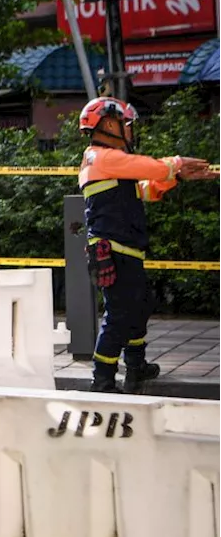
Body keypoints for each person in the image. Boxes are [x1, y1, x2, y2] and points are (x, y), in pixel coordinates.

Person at [77, 97, 214, 393]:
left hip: (125, 249)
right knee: (119, 315)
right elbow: (141, 167)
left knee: (139, 308)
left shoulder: (110, 165)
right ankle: (102, 378)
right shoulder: (99, 157)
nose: (130, 131)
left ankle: (136, 366)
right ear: (109, 124)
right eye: (126, 124)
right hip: (114, 249)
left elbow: (144, 190)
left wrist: (174, 176)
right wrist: (174, 164)